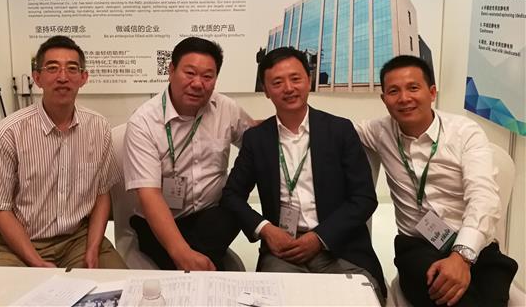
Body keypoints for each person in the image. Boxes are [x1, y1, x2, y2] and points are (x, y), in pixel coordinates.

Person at [221, 46, 386, 303]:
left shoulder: (340, 130)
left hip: (339, 248)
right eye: (277, 82)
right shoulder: (257, 139)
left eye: (295, 78)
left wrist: (319, 238)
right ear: (266, 90)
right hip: (283, 251)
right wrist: (266, 230)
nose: (288, 88)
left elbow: (364, 198)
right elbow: (232, 195)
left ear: (309, 80)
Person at [355, 55, 518, 307]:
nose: (404, 98)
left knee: (491, 297)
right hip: (417, 246)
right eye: (394, 91)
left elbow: (484, 197)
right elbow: (329, 128)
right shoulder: (379, 131)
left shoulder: (464, 132)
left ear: (432, 92)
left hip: (475, 246)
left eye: (413, 88)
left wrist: (461, 256)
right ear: (384, 99)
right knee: (452, 295)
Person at [0, 35, 126, 269]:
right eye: (52, 68)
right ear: (37, 78)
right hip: (16, 244)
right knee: (0, 289)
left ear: (83, 78)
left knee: (120, 283)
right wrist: (36, 262)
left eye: (72, 69)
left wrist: (93, 248)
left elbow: (102, 194)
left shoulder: (98, 127)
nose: (63, 77)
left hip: (77, 239)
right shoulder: (9, 132)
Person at [123, 37, 253, 271]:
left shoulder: (226, 108)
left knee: (234, 211)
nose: (197, 83)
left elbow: (257, 141)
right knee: (196, 265)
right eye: (190, 73)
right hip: (161, 221)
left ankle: (199, 263)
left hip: (210, 217)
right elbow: (149, 195)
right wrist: (181, 253)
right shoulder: (144, 122)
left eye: (207, 76)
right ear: (171, 70)